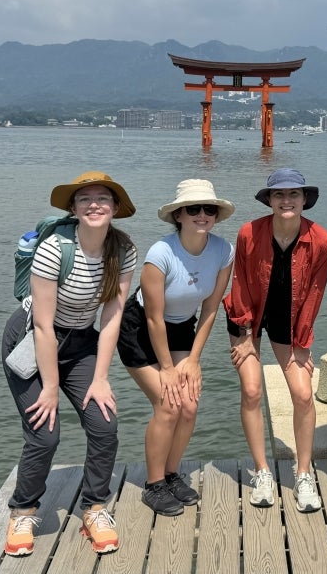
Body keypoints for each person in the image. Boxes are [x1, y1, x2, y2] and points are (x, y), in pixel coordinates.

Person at [2, 171, 138, 557]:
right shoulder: (54, 249)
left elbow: (111, 317)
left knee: (104, 424)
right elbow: (43, 325)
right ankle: (23, 510)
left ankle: (94, 506)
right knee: (45, 432)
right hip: (30, 340)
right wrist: (49, 387)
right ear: (74, 209)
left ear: (115, 208)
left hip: (80, 343)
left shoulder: (123, 249)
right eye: (85, 199)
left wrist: (100, 378)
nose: (94, 205)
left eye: (102, 199)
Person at [116, 179, 236, 516]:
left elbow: (211, 309)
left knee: (189, 405)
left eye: (208, 209)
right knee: (168, 405)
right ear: (178, 215)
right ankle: (153, 486)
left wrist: (194, 360)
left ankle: (170, 474)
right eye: (193, 209)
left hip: (183, 329)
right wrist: (168, 369)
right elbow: (154, 319)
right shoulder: (161, 254)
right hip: (140, 330)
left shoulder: (223, 251)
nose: (202, 215)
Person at [222, 168, 327, 512]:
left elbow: (315, 293)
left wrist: (303, 342)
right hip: (248, 317)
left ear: (305, 200)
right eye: (279, 195)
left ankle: (303, 474)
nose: (287, 200)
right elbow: (238, 281)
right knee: (252, 390)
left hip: (291, 319)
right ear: (269, 200)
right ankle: (262, 471)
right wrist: (242, 334)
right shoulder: (249, 233)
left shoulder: (321, 241)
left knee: (302, 394)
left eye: (294, 194)